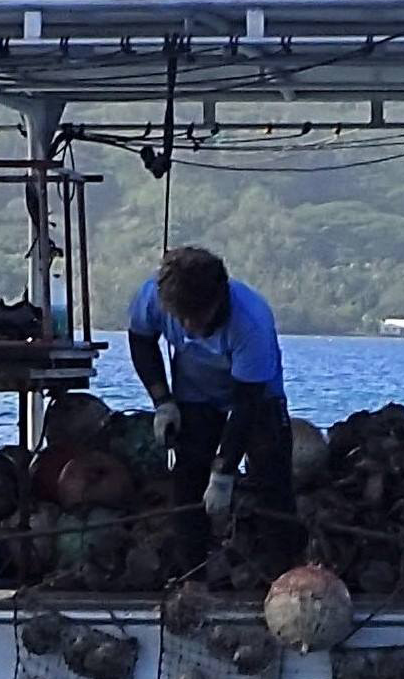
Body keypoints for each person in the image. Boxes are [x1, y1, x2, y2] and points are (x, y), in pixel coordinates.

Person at [127, 245, 303, 577]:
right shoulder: (153, 296)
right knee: (188, 480)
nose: (191, 327)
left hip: (257, 396)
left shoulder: (251, 323)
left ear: (219, 299)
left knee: (272, 480)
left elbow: (246, 405)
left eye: (198, 316)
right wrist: (162, 400)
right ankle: (192, 577)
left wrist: (224, 472)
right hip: (194, 392)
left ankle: (285, 576)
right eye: (183, 319)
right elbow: (140, 340)